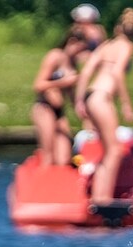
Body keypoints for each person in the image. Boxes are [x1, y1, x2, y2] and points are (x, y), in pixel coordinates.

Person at [75, 10, 133, 206]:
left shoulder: (105, 45)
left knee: (108, 150)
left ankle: (98, 197)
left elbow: (85, 72)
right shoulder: (127, 46)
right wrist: (127, 104)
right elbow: (118, 73)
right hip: (102, 97)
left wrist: (79, 100)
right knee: (115, 151)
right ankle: (103, 201)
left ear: (117, 27)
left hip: (91, 95)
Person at [32, 28, 87, 166]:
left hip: (59, 111)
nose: (81, 53)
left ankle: (60, 183)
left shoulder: (73, 63)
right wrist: (63, 82)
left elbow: (71, 93)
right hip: (45, 107)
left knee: (64, 157)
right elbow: (38, 85)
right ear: (72, 41)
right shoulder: (55, 56)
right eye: (80, 48)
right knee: (49, 154)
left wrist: (83, 112)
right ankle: (43, 182)